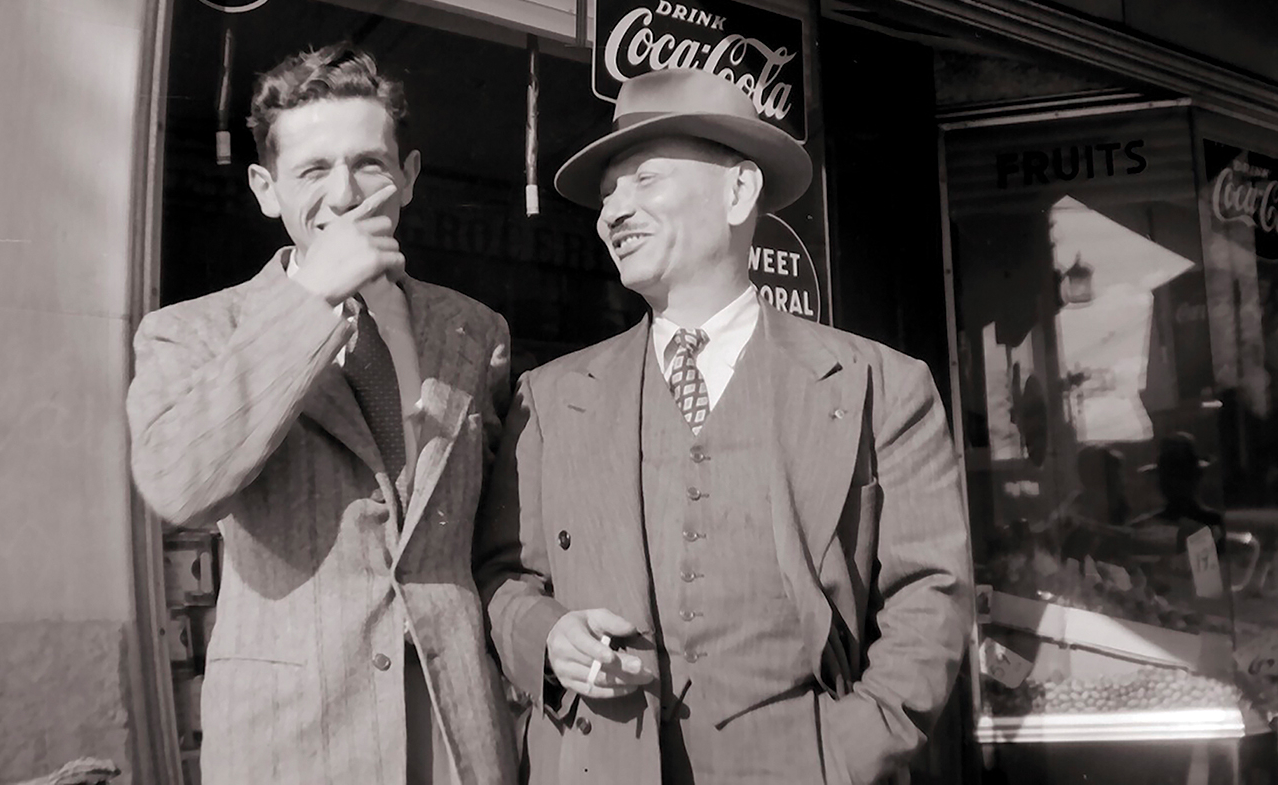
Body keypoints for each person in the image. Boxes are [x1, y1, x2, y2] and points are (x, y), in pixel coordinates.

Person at [474, 67, 973, 785]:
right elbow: (503, 574)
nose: (613, 211)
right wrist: (546, 637)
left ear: (739, 192)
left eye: (644, 179)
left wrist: (849, 751)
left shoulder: (882, 386)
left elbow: (932, 591)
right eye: (607, 194)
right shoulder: (549, 397)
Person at [126, 44, 516, 785]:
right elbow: (180, 483)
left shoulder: (475, 332)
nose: (344, 193)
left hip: (455, 738)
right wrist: (312, 300)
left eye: (369, 163)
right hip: (291, 744)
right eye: (312, 171)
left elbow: (492, 541)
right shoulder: (192, 331)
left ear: (408, 177)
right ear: (265, 189)